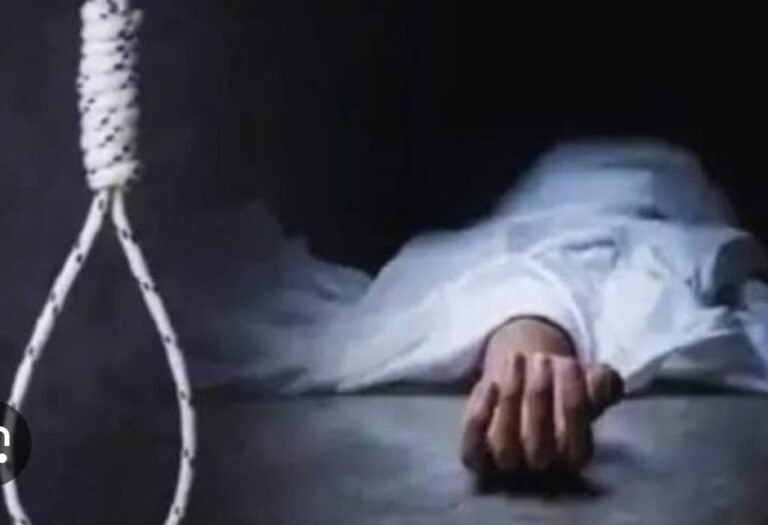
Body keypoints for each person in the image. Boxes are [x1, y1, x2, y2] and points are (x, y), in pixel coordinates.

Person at [187, 139, 768, 475]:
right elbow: (542, 252)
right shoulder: (530, 216)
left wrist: (532, 337)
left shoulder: (674, 222)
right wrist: (529, 334)